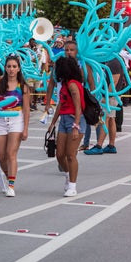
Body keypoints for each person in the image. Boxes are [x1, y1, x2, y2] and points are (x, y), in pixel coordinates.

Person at [0, 54, 30, 197]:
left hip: (16, 120)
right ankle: (8, 176)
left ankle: (11, 184)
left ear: (18, 69)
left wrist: (25, 129)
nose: (11, 69)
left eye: (14, 67)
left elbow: (27, 109)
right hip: (0, 120)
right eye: (9, 66)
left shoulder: (23, 86)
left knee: (11, 153)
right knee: (1, 156)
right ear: (5, 68)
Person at [47, 56, 85, 196]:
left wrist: (76, 126)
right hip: (64, 119)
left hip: (75, 120)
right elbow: (60, 104)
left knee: (70, 154)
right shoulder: (64, 84)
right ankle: (69, 176)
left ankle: (72, 186)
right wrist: (53, 122)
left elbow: (78, 106)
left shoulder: (73, 85)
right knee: (59, 154)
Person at [84, 57, 123, 155]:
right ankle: (111, 145)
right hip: (112, 95)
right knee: (111, 119)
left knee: (105, 119)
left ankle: (99, 145)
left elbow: (114, 81)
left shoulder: (114, 61)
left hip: (110, 96)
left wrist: (106, 95)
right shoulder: (112, 60)